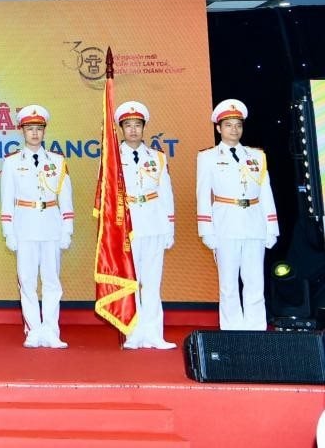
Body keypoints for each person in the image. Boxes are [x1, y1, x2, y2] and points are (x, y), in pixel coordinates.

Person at [197, 99, 278, 331]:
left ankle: (256, 328)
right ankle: (232, 329)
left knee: (255, 281)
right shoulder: (208, 157)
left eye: (238, 125)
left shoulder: (256, 156)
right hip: (225, 225)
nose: (234, 130)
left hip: (254, 224)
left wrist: (271, 227)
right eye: (228, 125)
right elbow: (202, 195)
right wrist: (206, 230)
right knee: (229, 284)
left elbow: (265, 192)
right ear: (218, 128)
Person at [0, 105, 74, 349]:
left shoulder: (57, 161)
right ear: (22, 131)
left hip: (51, 226)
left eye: (39, 128)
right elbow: (7, 199)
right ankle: (33, 330)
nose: (34, 133)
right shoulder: (12, 162)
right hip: (25, 227)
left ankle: (51, 330)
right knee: (27, 281)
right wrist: (8, 231)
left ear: (44, 131)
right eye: (29, 128)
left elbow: (65, 198)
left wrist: (67, 228)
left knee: (52, 281)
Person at [115, 102, 177, 350]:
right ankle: (133, 333)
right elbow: (108, 198)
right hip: (127, 226)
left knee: (152, 283)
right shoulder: (113, 159)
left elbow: (166, 194)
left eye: (137, 125)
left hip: (154, 223)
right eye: (128, 125)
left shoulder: (157, 157)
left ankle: (154, 334)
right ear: (121, 129)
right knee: (131, 281)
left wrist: (169, 227)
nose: (133, 130)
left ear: (143, 128)